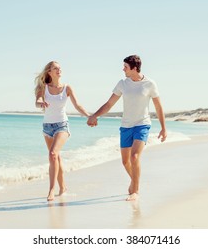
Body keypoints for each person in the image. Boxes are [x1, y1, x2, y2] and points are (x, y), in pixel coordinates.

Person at [87, 55, 167, 201]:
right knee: (125, 161)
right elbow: (109, 104)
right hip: (126, 126)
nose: (123, 69)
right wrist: (95, 115)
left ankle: (135, 191)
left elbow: (158, 106)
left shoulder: (150, 84)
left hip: (142, 124)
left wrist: (163, 128)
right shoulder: (122, 84)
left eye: (125, 67)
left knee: (135, 156)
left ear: (134, 68)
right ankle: (135, 181)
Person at [35, 61, 90, 201]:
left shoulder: (67, 88)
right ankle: (63, 187)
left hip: (62, 125)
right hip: (47, 126)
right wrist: (40, 102)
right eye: (55, 68)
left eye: (60, 68)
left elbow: (77, 105)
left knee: (53, 154)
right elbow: (38, 100)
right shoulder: (43, 87)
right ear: (49, 72)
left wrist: (90, 116)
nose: (59, 70)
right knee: (56, 158)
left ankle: (51, 190)